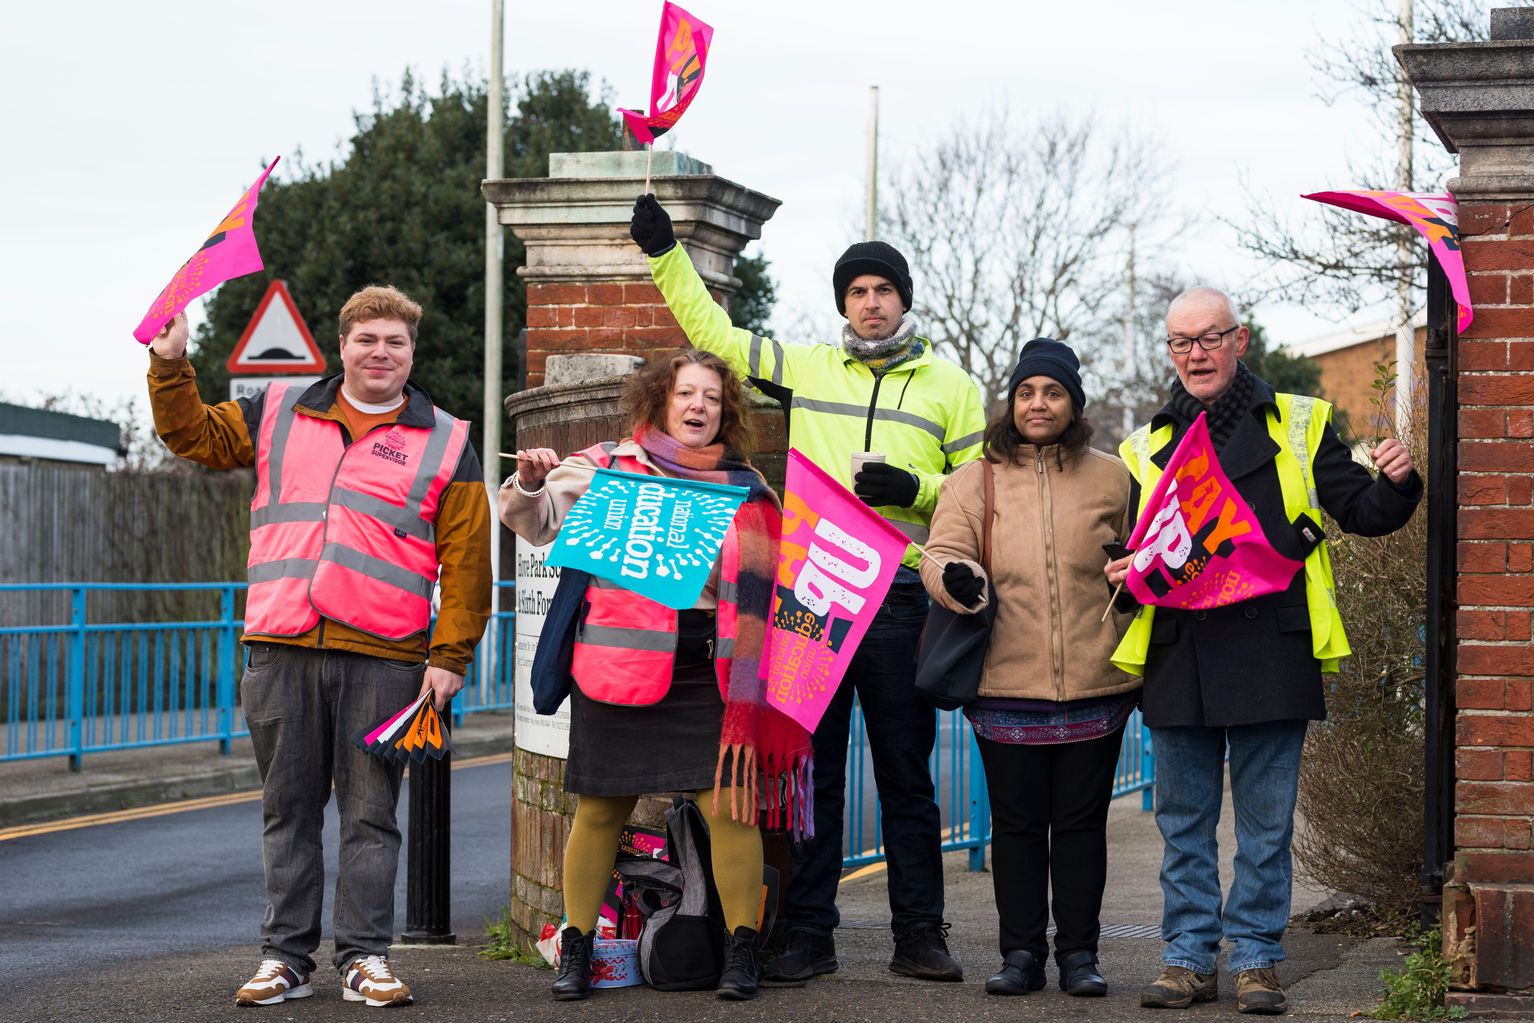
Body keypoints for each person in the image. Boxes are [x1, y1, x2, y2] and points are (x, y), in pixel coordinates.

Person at [630, 195, 986, 983]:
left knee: (905, 772)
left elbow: (972, 492)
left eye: (881, 289)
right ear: (844, 306)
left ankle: (920, 932)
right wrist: (666, 254)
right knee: (810, 772)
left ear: (903, 298)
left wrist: (915, 485)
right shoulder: (809, 366)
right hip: (812, 598)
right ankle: (810, 935)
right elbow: (716, 337)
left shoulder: (952, 386)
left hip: (897, 596)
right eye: (856, 291)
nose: (869, 302)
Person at [145, 287, 492, 1009]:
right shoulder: (278, 410)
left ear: (412, 353)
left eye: (395, 342)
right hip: (281, 645)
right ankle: (286, 956)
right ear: (344, 346)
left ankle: (365, 957)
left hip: (387, 655)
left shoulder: (449, 440)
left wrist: (450, 656)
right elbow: (192, 437)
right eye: (368, 339)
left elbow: (468, 561)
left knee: (371, 812)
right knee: (289, 808)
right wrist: (171, 364)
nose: (381, 353)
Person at [1104, 287, 1421, 1015]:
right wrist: (1120, 566)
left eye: (1208, 338)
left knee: (1264, 826)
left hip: (1271, 646)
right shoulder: (1147, 443)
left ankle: (1255, 960)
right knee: (1182, 822)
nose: (1195, 354)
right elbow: (1134, 548)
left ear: (1238, 340)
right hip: (1180, 651)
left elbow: (1362, 512)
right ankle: (1187, 957)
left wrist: (1400, 484)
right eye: (1180, 342)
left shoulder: (1302, 422)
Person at [500, 349, 812, 1002]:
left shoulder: (748, 489)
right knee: (598, 810)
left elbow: (768, 595)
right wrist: (531, 482)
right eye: (685, 393)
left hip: (706, 675)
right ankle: (576, 949)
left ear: (725, 412)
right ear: (661, 401)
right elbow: (535, 520)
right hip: (613, 669)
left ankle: (740, 951)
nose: (698, 405)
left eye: (712, 397)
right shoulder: (608, 466)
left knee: (730, 812)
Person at [920, 338, 1140, 998]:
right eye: (1025, 392)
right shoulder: (970, 479)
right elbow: (936, 557)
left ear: (1073, 403)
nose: (1037, 402)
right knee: (1015, 828)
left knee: (1080, 827)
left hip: (1097, 682)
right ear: (1010, 402)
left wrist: (1135, 575)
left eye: (1051, 392)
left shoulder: (1114, 475)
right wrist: (957, 579)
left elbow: (1146, 556)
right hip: (1004, 683)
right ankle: (1019, 953)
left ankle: (1079, 954)